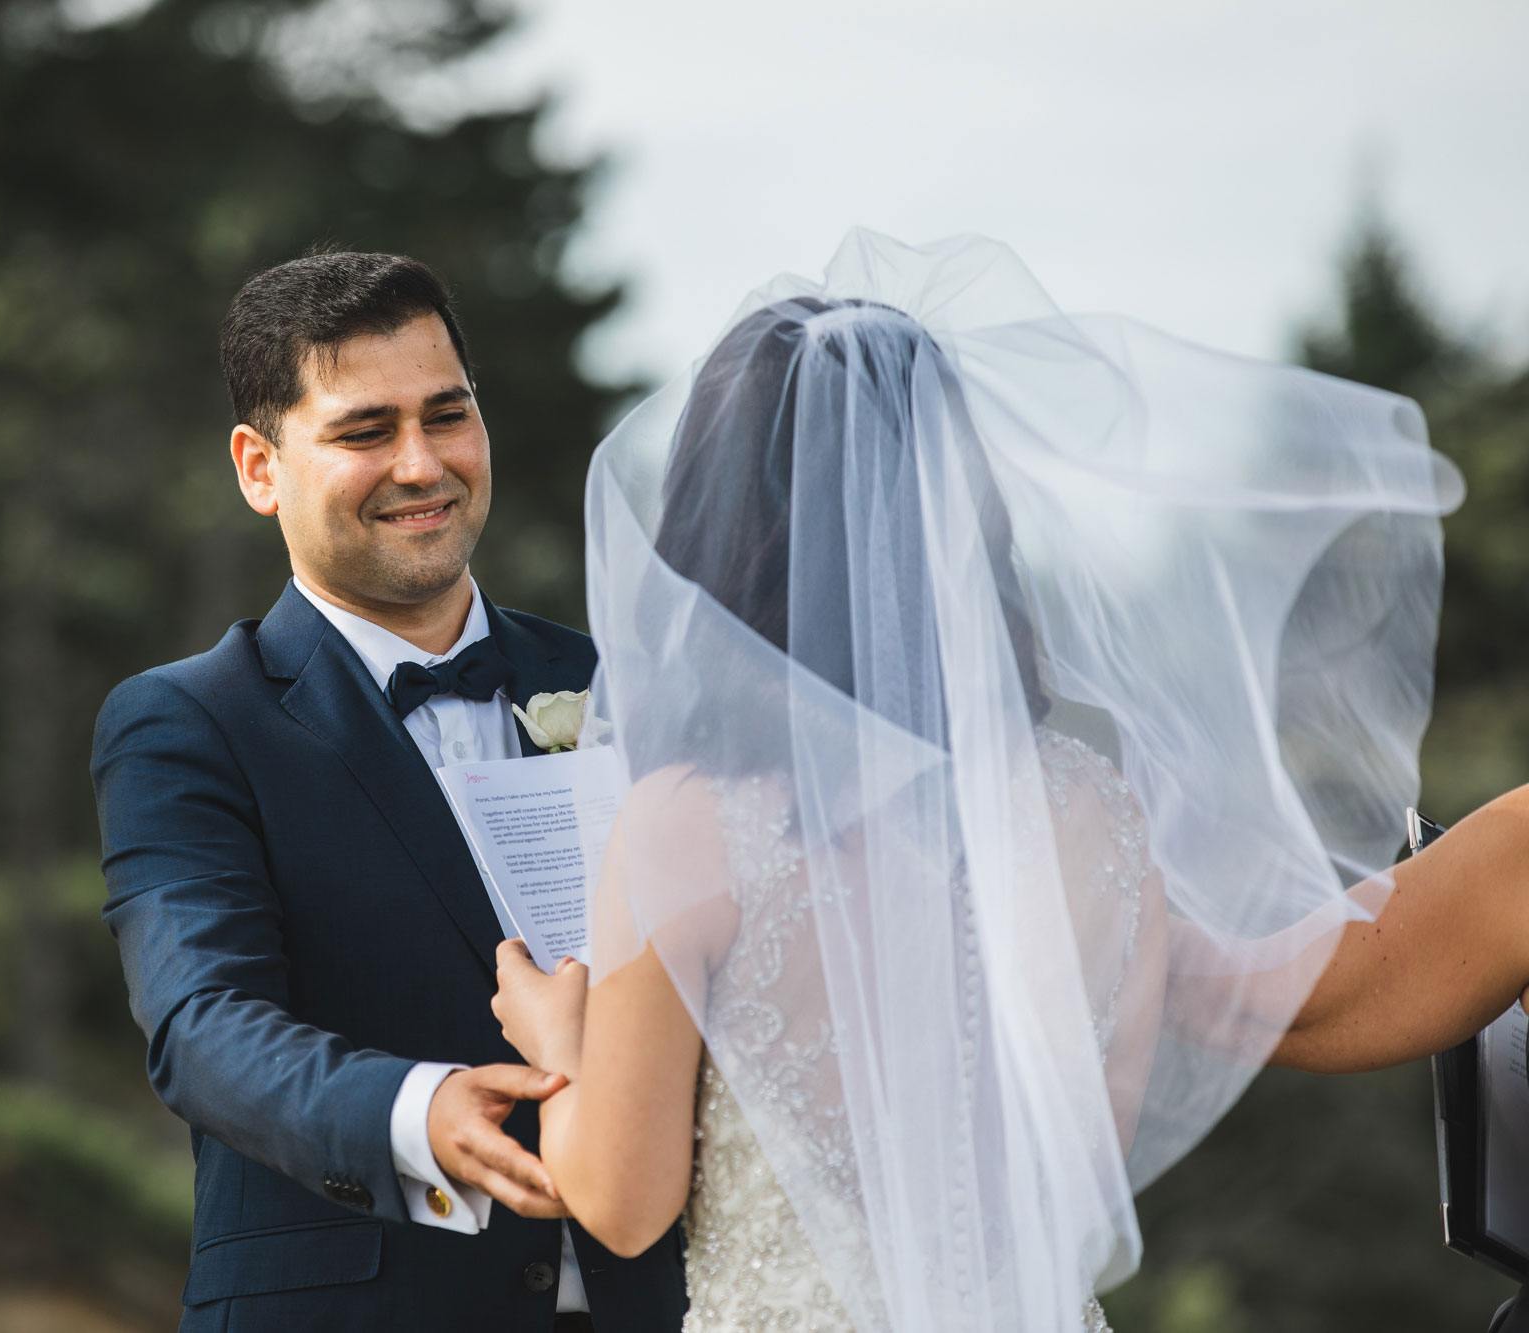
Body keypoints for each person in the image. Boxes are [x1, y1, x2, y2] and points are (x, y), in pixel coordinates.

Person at [491, 228, 1499, 1332]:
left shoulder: (682, 827)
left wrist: (560, 1041)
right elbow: (1084, 1178)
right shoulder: (1088, 810)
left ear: (719, 529)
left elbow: (623, 1208)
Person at [91, 251, 686, 1333]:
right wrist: (414, 1110)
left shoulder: (624, 690)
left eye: (447, 416)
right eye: (366, 432)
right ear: (258, 466)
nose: (422, 463)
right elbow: (201, 1024)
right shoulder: (186, 723)